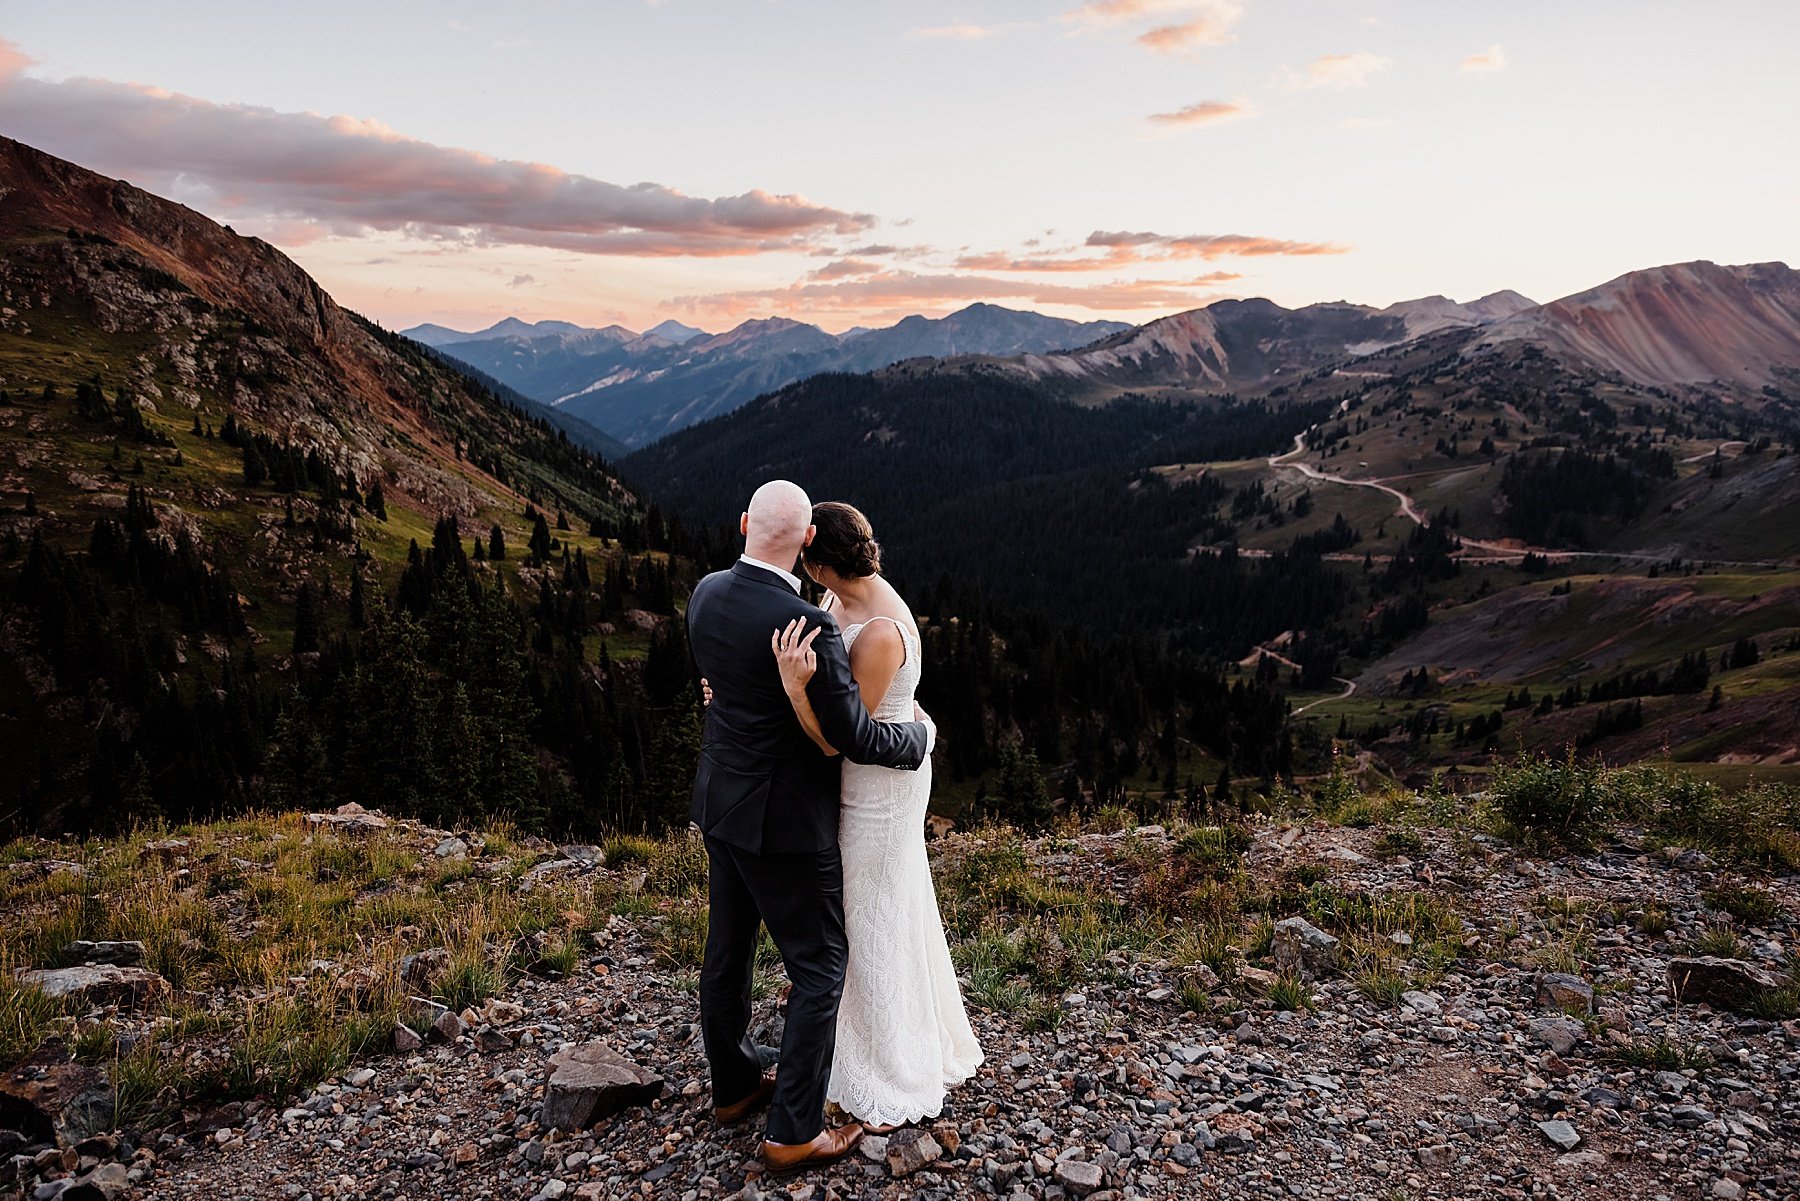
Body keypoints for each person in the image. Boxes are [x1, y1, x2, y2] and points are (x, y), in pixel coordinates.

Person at [686, 480, 934, 1177]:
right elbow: (849, 734)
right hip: (785, 822)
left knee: (727, 950)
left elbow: (719, 680)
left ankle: (734, 1088)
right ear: (802, 544)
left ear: (742, 523)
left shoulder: (705, 592)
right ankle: (793, 1130)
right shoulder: (810, 625)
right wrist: (918, 742)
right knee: (821, 963)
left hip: (720, 804)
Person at [772, 500, 984, 1131]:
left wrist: (790, 691)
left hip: (880, 785)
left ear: (821, 561)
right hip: (865, 773)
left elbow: (840, 737)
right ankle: (855, 1032)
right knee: (874, 902)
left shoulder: (882, 633)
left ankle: (889, 1064)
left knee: (871, 908)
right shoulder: (842, 595)